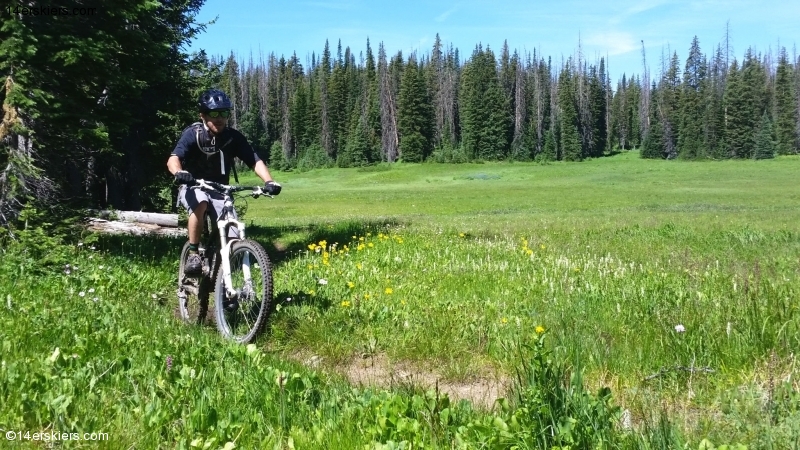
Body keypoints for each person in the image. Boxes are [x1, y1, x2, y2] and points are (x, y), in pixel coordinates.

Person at [167, 88, 281, 276]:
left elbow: (254, 160)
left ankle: (225, 285)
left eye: (224, 113)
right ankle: (194, 253)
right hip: (194, 185)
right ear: (203, 115)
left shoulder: (232, 137)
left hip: (220, 190)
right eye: (214, 113)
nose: (219, 118)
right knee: (200, 202)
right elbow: (174, 158)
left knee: (232, 235)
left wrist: (269, 181)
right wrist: (179, 172)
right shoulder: (193, 134)